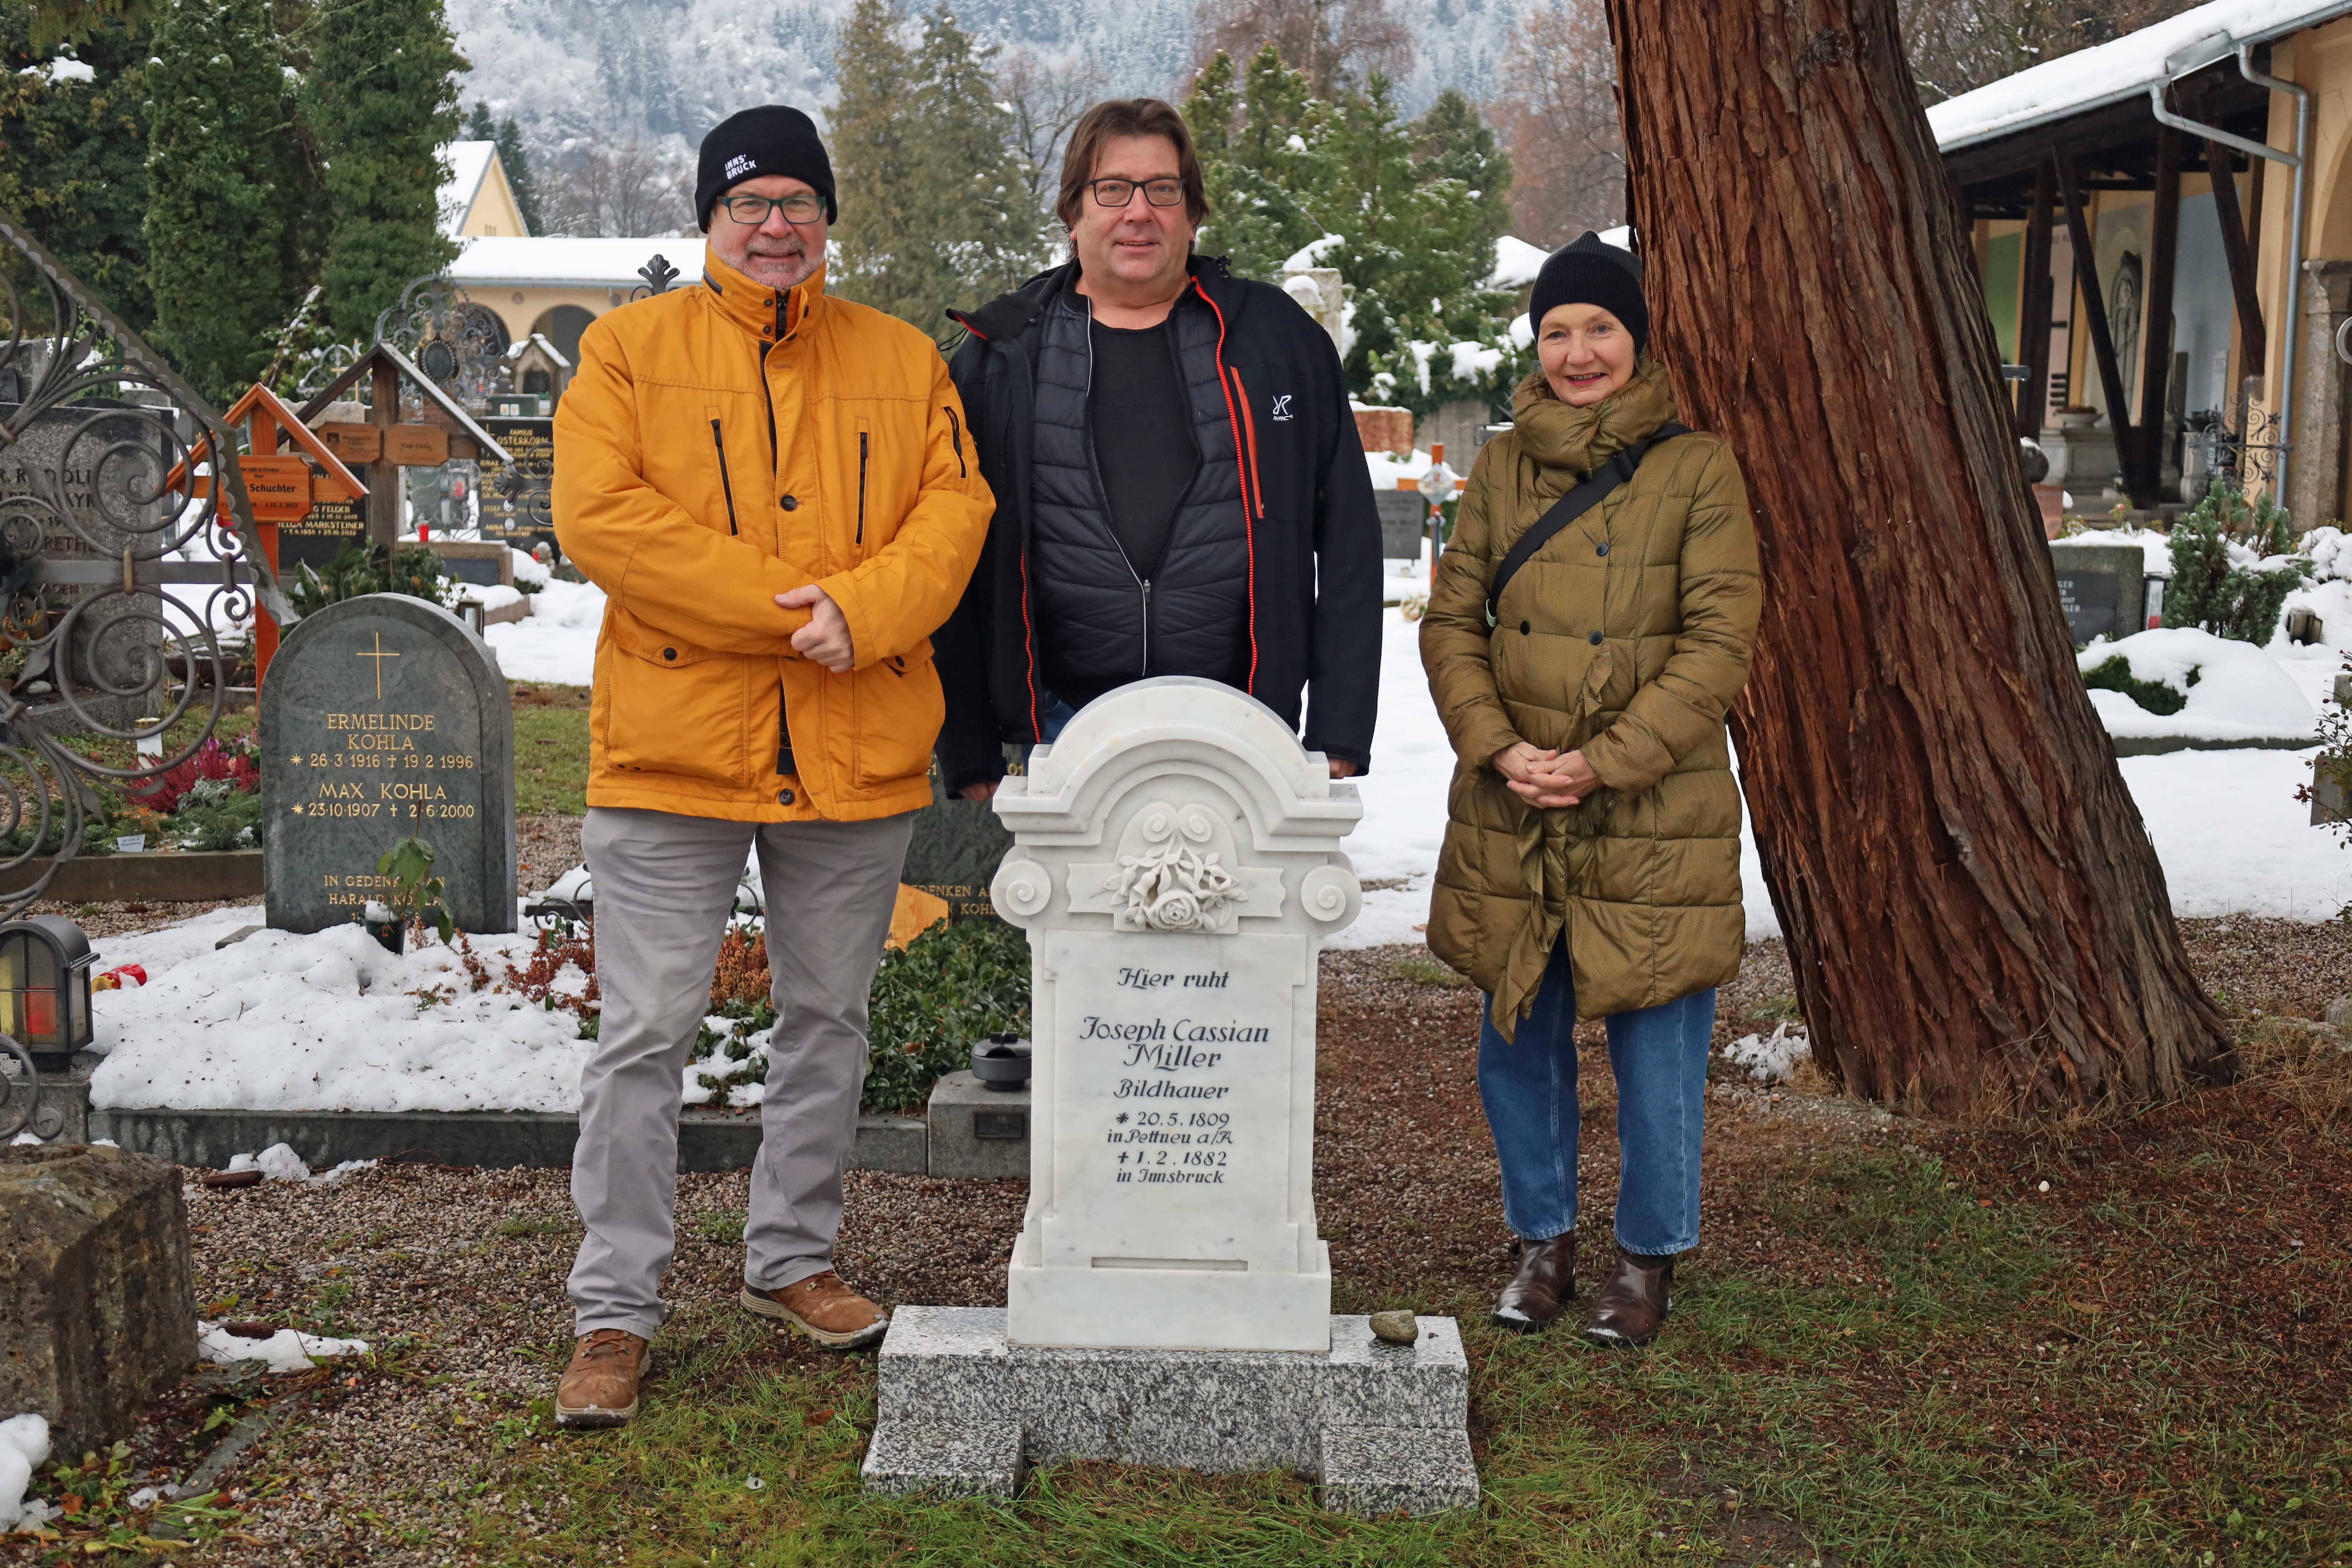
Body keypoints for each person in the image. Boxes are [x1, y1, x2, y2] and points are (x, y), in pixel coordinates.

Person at [549, 104, 992, 1427]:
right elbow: (603, 517)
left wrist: (868, 610)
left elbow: (954, 510)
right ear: (711, 220)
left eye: (800, 202)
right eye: (751, 204)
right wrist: (791, 607)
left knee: (829, 1023)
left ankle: (791, 1260)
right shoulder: (628, 351)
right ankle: (615, 1308)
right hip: (674, 751)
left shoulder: (904, 359)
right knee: (642, 1037)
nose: (777, 226)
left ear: (827, 222)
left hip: (853, 743)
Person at [1419, 232, 1761, 1344]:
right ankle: (1543, 1241)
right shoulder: (1504, 464)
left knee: (1656, 1043)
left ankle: (1648, 1259)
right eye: (1558, 331)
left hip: (1651, 805)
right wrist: (1500, 746)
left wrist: (1605, 760)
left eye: (1599, 329)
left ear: (1637, 340)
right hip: (1516, 799)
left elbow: (1719, 641)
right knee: (1519, 1032)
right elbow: (1451, 620)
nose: (1577, 352)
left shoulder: (1698, 467)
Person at [934, 97, 1381, 798]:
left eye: (1163, 190)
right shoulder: (1000, 356)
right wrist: (967, 750)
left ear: (1193, 211)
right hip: (1054, 734)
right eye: (1111, 189)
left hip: (1246, 725)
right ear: (1073, 213)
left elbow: (1351, 534)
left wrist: (1340, 732)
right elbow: (951, 559)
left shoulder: (1277, 342)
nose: (1138, 212)